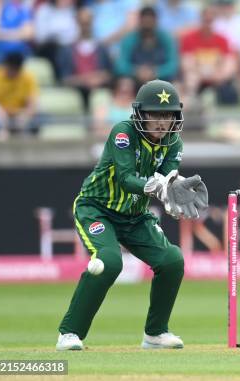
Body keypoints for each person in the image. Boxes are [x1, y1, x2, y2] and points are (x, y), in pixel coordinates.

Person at [56, 79, 208, 351]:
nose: (162, 122)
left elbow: (168, 179)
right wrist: (158, 186)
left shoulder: (173, 143)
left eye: (168, 115)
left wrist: (170, 190)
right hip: (97, 209)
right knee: (108, 262)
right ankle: (69, 333)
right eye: (156, 114)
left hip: (135, 216)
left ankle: (155, 334)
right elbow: (127, 179)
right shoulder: (123, 132)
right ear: (140, 114)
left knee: (172, 260)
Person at [115, 6, 179, 86]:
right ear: (140, 22)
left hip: (162, 82)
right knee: (125, 83)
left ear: (156, 22)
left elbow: (173, 65)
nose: (148, 29)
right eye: (145, 26)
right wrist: (136, 71)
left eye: (150, 26)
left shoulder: (166, 39)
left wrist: (155, 72)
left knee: (176, 85)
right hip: (135, 81)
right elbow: (121, 65)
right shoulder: (129, 39)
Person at [0, 52, 39, 138]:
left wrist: (26, 116)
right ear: (5, 65)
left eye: (16, 69)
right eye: (11, 68)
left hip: (19, 114)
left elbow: (32, 103)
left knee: (36, 117)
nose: (13, 72)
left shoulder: (27, 78)